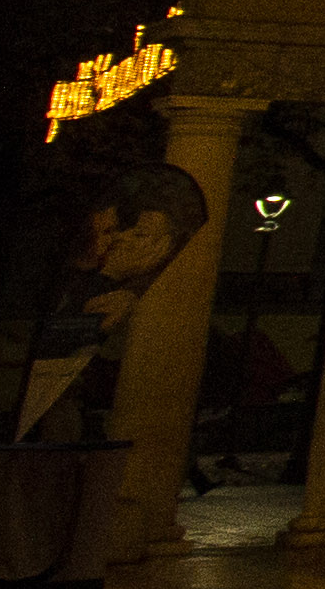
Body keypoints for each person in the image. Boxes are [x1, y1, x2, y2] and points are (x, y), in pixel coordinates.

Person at [16, 163, 210, 443]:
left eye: (134, 234)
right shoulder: (60, 280)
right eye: (107, 231)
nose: (116, 240)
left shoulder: (127, 291)